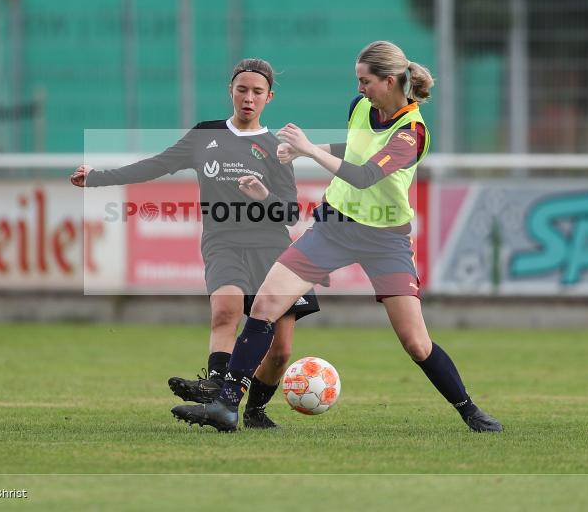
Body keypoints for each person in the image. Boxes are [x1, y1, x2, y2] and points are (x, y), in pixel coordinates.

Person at [172, 40, 503, 433]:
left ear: (391, 80)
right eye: (358, 81)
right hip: (334, 226)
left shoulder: (412, 132)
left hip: (385, 239)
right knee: (265, 304)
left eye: (366, 81)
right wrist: (307, 151)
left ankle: (469, 410)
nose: (360, 89)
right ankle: (228, 407)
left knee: (416, 342)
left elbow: (365, 176)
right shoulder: (360, 107)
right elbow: (358, 149)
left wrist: (309, 149)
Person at [71, 58, 320, 429]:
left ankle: (253, 411)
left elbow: (287, 213)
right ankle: (217, 389)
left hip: (272, 248)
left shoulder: (277, 146)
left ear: (269, 97)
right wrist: (97, 178)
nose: (248, 98)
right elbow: (155, 165)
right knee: (226, 308)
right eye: (242, 89)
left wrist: (263, 195)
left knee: (281, 350)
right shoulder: (206, 135)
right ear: (231, 92)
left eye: (256, 92)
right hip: (223, 241)